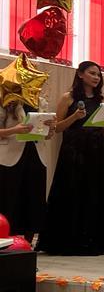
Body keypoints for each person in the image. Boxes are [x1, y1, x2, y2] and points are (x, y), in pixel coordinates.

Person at [37, 61, 104, 255]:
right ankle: (69, 239)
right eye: (92, 73)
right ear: (80, 74)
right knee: (72, 191)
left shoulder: (102, 100)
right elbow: (57, 128)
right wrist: (75, 117)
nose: (96, 77)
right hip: (74, 151)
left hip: (97, 151)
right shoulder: (68, 97)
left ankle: (97, 239)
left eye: (98, 74)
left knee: (96, 193)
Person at [0, 99, 51, 244]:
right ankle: (6, 240)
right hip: (9, 156)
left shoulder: (40, 101)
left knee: (33, 198)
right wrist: (14, 130)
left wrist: (50, 128)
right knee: (10, 198)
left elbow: (46, 135)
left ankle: (28, 242)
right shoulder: (4, 99)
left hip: (36, 154)